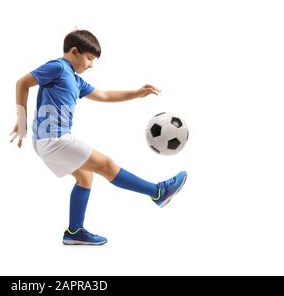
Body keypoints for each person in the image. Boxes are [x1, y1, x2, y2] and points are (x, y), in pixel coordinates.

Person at [10, 29, 187, 245]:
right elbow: (22, 83)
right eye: (89, 58)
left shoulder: (76, 81)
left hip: (48, 142)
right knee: (106, 165)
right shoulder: (58, 67)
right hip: (55, 140)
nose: (91, 64)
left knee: (85, 177)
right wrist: (21, 120)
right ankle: (158, 192)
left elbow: (103, 95)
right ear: (74, 52)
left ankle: (74, 232)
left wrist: (136, 93)